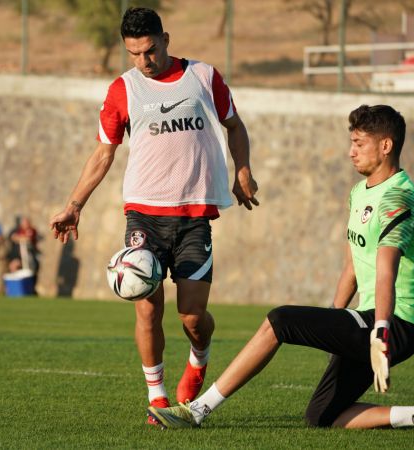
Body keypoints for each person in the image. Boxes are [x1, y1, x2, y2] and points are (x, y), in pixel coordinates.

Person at [147, 105, 414, 436]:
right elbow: (353, 264)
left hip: (397, 324)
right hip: (372, 318)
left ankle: (198, 410)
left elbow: (385, 272)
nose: (351, 152)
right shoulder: (359, 193)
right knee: (322, 415)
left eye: (359, 143)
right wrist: (334, 320)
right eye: (351, 142)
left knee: (281, 320)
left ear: (386, 146)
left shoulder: (399, 198)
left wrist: (380, 334)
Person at [50, 7, 259, 424]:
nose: (144, 61)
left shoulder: (204, 77)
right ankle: (157, 396)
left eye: (149, 50)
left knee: (193, 317)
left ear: (165, 38)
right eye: (134, 54)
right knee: (146, 307)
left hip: (194, 215)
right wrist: (74, 204)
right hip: (143, 213)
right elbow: (103, 153)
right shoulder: (123, 90)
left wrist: (243, 171)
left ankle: (199, 359)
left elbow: (235, 127)